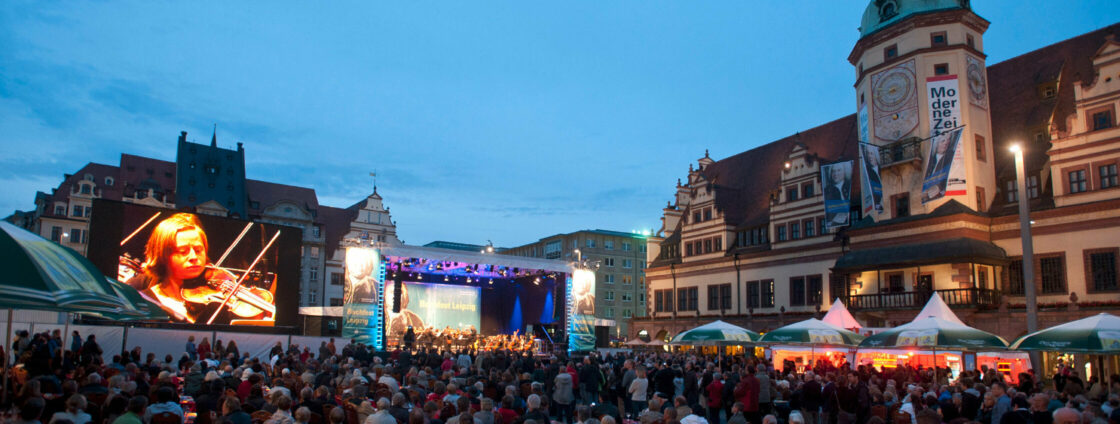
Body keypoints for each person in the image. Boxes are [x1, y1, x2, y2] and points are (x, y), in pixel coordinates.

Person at [923, 132, 957, 201]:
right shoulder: (931, 159)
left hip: (943, 196)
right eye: (943, 140)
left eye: (948, 139)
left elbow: (952, 173)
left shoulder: (951, 155)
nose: (946, 143)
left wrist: (939, 187)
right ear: (936, 143)